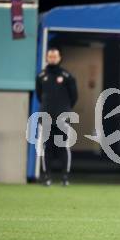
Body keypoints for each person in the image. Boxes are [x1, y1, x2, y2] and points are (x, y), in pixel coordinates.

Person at [36, 48, 78, 186]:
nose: (52, 58)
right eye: (50, 56)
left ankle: (65, 177)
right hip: (46, 116)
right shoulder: (41, 76)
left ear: (60, 58)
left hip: (62, 118)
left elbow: (74, 97)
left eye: (55, 56)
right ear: (47, 58)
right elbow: (39, 95)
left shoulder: (67, 76)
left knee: (63, 147)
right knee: (47, 147)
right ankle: (47, 177)